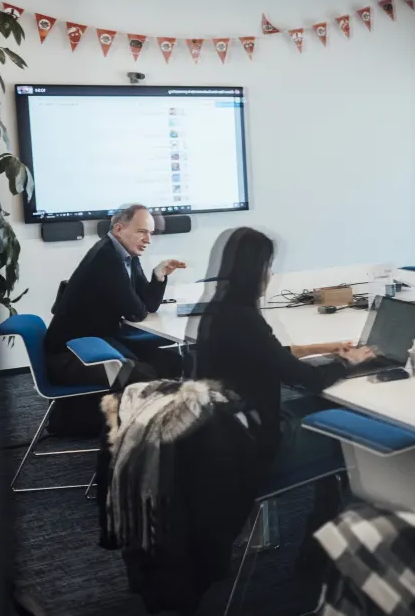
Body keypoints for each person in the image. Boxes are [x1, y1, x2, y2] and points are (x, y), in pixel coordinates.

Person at [191, 227, 374, 580]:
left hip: (225, 435)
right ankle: (319, 552)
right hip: (255, 446)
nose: (270, 274)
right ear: (255, 270)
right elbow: (307, 379)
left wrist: (324, 347)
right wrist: (351, 362)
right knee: (348, 435)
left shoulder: (217, 309)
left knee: (327, 412)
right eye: (268, 266)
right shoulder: (244, 319)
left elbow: (268, 356)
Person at [44, 204, 186, 435]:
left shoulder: (124, 254)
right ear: (119, 229)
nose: (148, 239)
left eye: (150, 232)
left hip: (97, 342)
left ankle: (160, 430)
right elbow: (137, 312)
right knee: (145, 372)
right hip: (72, 356)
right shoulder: (106, 259)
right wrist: (141, 301)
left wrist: (158, 276)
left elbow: (145, 305)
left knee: (170, 361)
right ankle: (147, 437)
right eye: (142, 231)